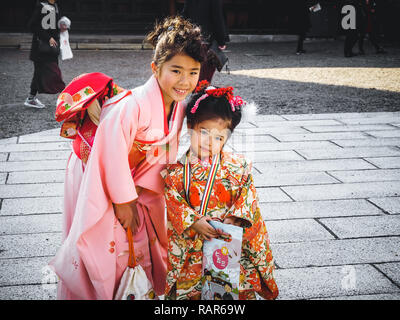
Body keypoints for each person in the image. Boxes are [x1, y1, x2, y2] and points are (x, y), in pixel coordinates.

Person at [48, 16, 203, 300]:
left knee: (133, 241)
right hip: (96, 174)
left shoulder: (179, 107)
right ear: (155, 68)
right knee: (101, 243)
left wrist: (145, 190)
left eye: (193, 72)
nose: (185, 81)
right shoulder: (132, 106)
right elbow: (111, 151)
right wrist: (124, 201)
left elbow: (164, 153)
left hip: (132, 179)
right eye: (176, 70)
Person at [161, 81, 279, 300]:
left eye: (219, 137)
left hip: (227, 244)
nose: (209, 141)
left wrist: (235, 220)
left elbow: (247, 199)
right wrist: (193, 221)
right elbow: (171, 201)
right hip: (192, 247)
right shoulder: (175, 171)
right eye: (203, 132)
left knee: (230, 293)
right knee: (192, 293)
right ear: (190, 127)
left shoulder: (238, 169)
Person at [25, 0, 65, 108]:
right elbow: (32, 26)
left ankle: (31, 98)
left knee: (41, 73)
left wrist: (62, 27)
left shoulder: (55, 6)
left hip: (51, 48)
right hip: (41, 48)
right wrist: (48, 38)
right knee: (52, 72)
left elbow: (53, 26)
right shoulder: (41, 6)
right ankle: (65, 99)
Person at [182, 0, 229, 83]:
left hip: (193, 39)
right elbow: (217, 18)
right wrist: (221, 40)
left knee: (194, 72)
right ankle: (200, 94)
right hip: (207, 40)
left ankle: (196, 93)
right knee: (205, 75)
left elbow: (184, 16)